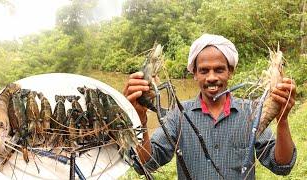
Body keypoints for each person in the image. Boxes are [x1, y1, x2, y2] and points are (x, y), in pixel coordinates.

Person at [123, 34, 297, 179]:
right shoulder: (178, 114)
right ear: (195, 74)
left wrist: (282, 120)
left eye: (219, 70)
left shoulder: (251, 111)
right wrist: (139, 118)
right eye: (204, 71)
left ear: (230, 72)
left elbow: (281, 166)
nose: (211, 77)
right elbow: (146, 163)